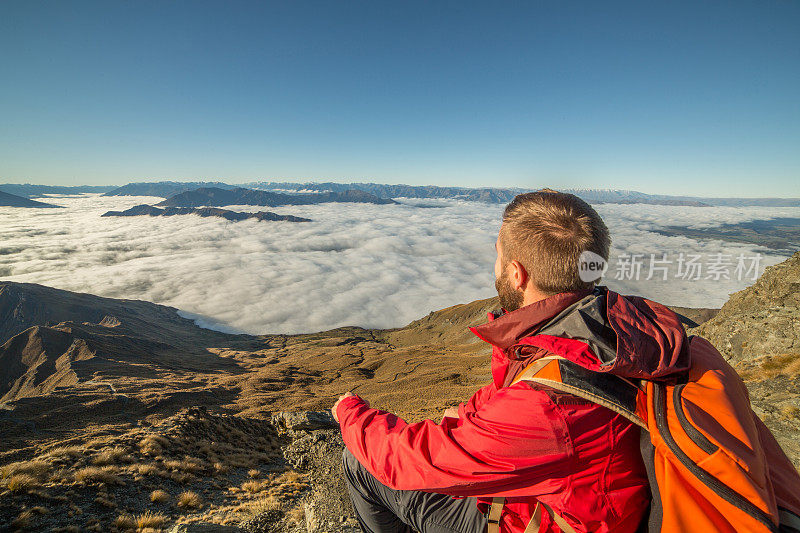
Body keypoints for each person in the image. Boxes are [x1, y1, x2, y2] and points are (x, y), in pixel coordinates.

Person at [331, 189, 663, 533]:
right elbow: (518, 391)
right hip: (570, 501)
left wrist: (350, 413)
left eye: (498, 255)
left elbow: (409, 464)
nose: (496, 265)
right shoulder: (606, 333)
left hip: (530, 521)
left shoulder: (550, 407)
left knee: (359, 462)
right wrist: (467, 416)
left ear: (517, 274)